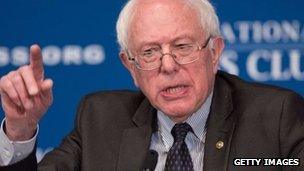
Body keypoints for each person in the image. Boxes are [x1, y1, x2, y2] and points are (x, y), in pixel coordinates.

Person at [0, 0, 303, 170]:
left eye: (183, 46)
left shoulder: (275, 117)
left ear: (214, 52)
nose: (168, 65)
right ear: (129, 66)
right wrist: (20, 130)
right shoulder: (100, 120)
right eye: (149, 52)